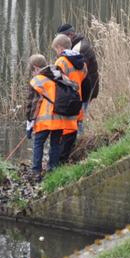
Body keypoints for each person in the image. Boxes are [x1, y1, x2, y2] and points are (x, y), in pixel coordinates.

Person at [25, 54, 79, 179]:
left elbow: (33, 103)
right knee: (55, 143)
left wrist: (29, 121)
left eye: (32, 70)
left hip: (45, 120)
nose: (32, 73)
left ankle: (36, 172)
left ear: (35, 68)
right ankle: (53, 170)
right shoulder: (59, 75)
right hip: (60, 117)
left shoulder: (38, 80)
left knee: (38, 143)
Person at [51, 34, 87, 164]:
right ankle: (66, 160)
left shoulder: (61, 61)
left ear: (60, 48)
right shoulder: (81, 61)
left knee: (63, 131)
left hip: (65, 102)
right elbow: (84, 77)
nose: (56, 52)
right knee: (73, 129)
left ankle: (59, 163)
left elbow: (55, 81)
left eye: (56, 49)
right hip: (77, 99)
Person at [56, 23, 100, 129]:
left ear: (70, 35)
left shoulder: (79, 48)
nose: (61, 41)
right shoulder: (76, 45)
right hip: (84, 88)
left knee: (78, 120)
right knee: (78, 119)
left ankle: (79, 137)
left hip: (85, 90)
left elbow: (78, 72)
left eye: (62, 38)